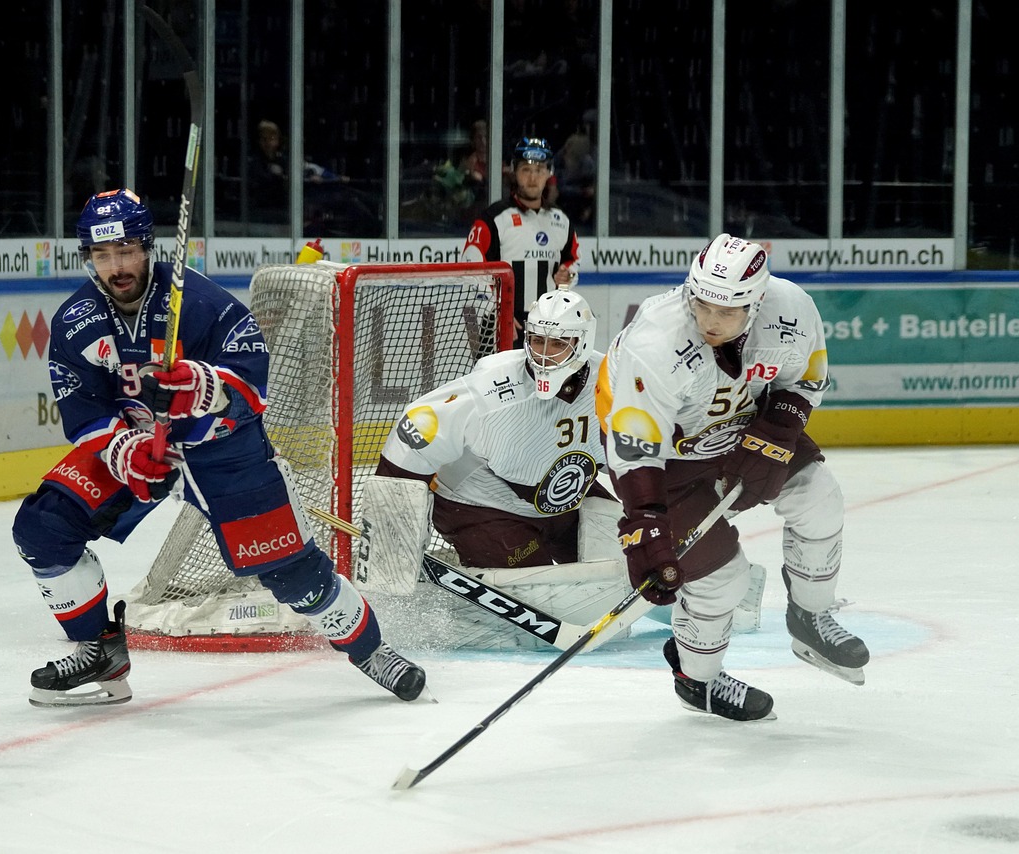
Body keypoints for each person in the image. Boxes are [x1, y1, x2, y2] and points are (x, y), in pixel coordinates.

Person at [13, 188, 426, 707]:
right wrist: (124, 451)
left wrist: (203, 387)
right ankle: (101, 650)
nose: (115, 266)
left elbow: (252, 387)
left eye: (126, 251)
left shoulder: (203, 304)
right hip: (141, 448)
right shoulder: (76, 321)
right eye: (101, 254)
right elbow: (84, 409)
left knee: (291, 572)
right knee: (43, 527)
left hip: (223, 451)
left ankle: (371, 651)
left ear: (147, 247)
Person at [595, 233, 870, 722]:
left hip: (740, 426)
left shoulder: (790, 309)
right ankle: (696, 681)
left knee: (819, 496)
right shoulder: (655, 341)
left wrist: (776, 433)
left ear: (757, 302)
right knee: (723, 578)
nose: (709, 322)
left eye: (727, 312)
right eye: (701, 305)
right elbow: (634, 441)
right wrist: (646, 522)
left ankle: (810, 614)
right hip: (664, 456)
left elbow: (805, 379)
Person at [373, 290, 612, 570]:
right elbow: (415, 427)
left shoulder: (611, 381)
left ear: (582, 342)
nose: (544, 355)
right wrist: (395, 534)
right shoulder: (493, 386)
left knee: (632, 567)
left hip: (567, 505)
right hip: (483, 507)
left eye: (558, 344)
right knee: (536, 598)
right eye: (537, 341)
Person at [461, 137, 581, 348]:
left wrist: (568, 276)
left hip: (548, 327)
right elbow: (471, 269)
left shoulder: (560, 219)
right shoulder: (493, 218)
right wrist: (498, 312)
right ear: (514, 171)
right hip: (502, 326)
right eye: (526, 169)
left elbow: (572, 262)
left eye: (540, 170)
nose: (533, 178)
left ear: (549, 173)